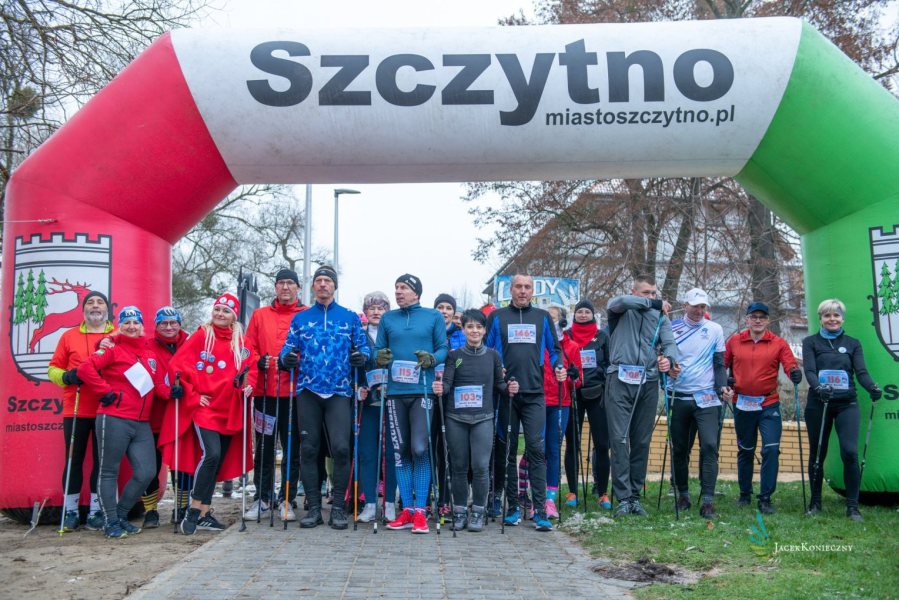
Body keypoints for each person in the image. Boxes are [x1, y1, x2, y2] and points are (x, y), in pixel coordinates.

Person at [279, 266, 369, 530]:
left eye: (327, 280)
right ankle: (314, 509)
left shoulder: (350, 317)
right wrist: (286, 359)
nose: (322, 284)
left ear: (334, 286)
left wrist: (361, 357)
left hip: (339, 391)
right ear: (313, 287)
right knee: (309, 449)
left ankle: (338, 507)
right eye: (318, 280)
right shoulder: (301, 318)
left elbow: (364, 348)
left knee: (341, 448)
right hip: (308, 391)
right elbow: (287, 349)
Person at [164, 293, 256, 535]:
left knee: (218, 460)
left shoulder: (242, 342)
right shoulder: (201, 335)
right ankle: (193, 509)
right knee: (211, 454)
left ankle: (204, 513)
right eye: (217, 309)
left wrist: (250, 385)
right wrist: (193, 395)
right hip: (205, 409)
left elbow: (251, 369)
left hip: (230, 409)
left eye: (226, 311)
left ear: (233, 316)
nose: (220, 314)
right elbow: (177, 367)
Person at [76, 306, 172, 538]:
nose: (131, 326)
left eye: (135, 322)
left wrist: (173, 393)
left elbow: (157, 385)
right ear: (120, 326)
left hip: (141, 422)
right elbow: (85, 369)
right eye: (126, 323)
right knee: (109, 471)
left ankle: (120, 515)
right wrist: (104, 391)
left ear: (142, 326)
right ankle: (110, 522)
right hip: (114, 417)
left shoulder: (149, 352)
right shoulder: (112, 348)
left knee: (147, 472)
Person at [485, 273, 565, 532]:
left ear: (533, 291)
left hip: (534, 394)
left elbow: (555, 350)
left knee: (536, 450)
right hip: (506, 394)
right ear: (510, 290)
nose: (522, 291)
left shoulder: (542, 317)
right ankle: (512, 508)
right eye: (518, 286)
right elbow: (486, 351)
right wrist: (496, 372)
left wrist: (559, 366)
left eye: (527, 287)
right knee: (508, 451)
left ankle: (540, 510)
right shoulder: (497, 317)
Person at [375, 274, 448, 534]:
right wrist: (379, 357)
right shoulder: (388, 318)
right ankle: (407, 509)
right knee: (400, 450)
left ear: (416, 292)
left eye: (403, 288)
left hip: (422, 392)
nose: (398, 292)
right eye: (396, 287)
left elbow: (443, 348)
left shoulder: (433, 316)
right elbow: (377, 351)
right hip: (395, 393)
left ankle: (421, 511)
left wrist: (432, 359)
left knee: (419, 448)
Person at [433, 309, 517, 532]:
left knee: (480, 467)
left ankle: (478, 511)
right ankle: (460, 511)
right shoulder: (454, 356)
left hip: (483, 418)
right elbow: (448, 384)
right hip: (456, 418)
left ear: (484, 330)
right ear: (463, 329)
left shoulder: (493, 356)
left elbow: (499, 385)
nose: (474, 331)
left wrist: (510, 388)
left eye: (479, 327)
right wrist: (440, 387)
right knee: (459, 467)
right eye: (470, 327)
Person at [802, 299, 882, 521]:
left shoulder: (852, 343)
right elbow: (810, 371)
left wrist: (872, 387)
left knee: (849, 452)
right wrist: (818, 388)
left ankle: (852, 507)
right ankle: (815, 503)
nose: (832, 319)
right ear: (820, 318)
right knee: (818, 453)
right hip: (819, 403)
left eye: (836, 315)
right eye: (827, 315)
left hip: (847, 403)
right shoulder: (810, 342)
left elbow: (861, 372)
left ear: (842, 319)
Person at [605, 275, 677, 517]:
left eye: (654, 293)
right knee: (619, 440)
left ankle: (635, 497)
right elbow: (620, 302)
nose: (651, 297)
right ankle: (623, 497)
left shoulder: (660, 316)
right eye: (646, 292)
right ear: (634, 292)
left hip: (648, 381)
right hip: (619, 379)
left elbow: (670, 344)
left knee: (641, 441)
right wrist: (654, 303)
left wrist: (669, 359)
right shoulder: (621, 309)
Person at [724, 301, 801, 514]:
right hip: (742, 403)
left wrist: (794, 372)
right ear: (747, 319)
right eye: (754, 317)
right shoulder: (735, 341)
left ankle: (765, 497)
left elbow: (789, 363)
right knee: (746, 450)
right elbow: (722, 365)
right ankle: (744, 494)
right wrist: (724, 382)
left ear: (768, 320)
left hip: (768, 404)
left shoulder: (778, 342)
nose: (757, 321)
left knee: (771, 449)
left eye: (762, 317)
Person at [243, 268, 307, 522]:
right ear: (275, 287)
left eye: (290, 283)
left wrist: (296, 360)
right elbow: (249, 347)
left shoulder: (305, 315)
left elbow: (312, 350)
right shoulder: (260, 315)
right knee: (264, 446)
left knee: (292, 447)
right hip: (265, 393)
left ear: (298, 287)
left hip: (294, 394)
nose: (285, 287)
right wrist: (258, 361)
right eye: (281, 283)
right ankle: (262, 496)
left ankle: (287, 498)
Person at [48, 290, 114, 531]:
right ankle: (71, 511)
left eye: (100, 302)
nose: (95, 306)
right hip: (75, 408)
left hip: (107, 409)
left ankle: (96, 512)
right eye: (90, 302)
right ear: (83, 308)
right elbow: (52, 369)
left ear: (107, 309)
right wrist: (67, 376)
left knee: (102, 461)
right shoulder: (69, 336)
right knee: (73, 460)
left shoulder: (117, 335)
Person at [666, 289, 729, 520]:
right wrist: (667, 368)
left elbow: (719, 363)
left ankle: (708, 500)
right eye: (695, 306)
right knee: (680, 448)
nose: (699, 310)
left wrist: (722, 386)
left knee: (710, 446)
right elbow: (661, 357)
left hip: (707, 398)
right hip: (679, 396)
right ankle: (683, 494)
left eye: (703, 306)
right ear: (685, 305)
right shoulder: (671, 327)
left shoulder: (715, 329)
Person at [141, 307, 189, 528]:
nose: (169, 327)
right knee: (150, 466)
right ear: (156, 325)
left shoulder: (189, 342)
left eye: (173, 323)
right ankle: (150, 510)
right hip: (155, 415)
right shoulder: (146, 345)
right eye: (163, 323)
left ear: (179, 324)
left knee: (181, 463)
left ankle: (181, 506)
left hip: (181, 413)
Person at [563, 299, 612, 510]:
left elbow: (609, 363)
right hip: (573, 393)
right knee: (573, 443)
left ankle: (602, 492)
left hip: (597, 394)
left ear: (593, 315)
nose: (583, 315)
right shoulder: (567, 336)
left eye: (587, 312)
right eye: (580, 311)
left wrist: (602, 377)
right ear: (574, 315)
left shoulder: (602, 336)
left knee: (602, 444)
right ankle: (573, 491)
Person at [356, 291, 399, 523]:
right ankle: (370, 503)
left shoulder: (393, 335)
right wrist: (358, 388)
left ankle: (389, 502)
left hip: (391, 400)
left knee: (391, 453)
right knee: (367, 452)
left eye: (381, 308)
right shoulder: (359, 336)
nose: (376, 312)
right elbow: (351, 367)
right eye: (371, 308)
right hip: (367, 403)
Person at [543, 306, 582, 519]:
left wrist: (572, 376)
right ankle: (532, 493)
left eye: (553, 318)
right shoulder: (538, 343)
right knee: (536, 449)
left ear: (562, 322)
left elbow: (579, 380)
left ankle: (550, 498)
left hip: (560, 403)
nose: (550, 322)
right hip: (537, 402)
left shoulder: (572, 346)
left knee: (553, 449)